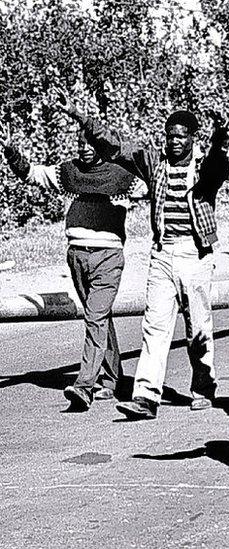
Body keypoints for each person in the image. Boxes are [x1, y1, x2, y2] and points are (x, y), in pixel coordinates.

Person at [57, 92, 229, 420]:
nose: (173, 142)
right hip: (163, 253)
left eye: (181, 136)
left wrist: (222, 132)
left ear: (192, 139)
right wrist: (80, 116)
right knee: (154, 326)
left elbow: (219, 163)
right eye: (169, 136)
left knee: (198, 325)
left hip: (195, 255)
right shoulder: (154, 162)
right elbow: (115, 145)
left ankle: (202, 384)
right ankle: (146, 396)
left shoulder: (204, 168)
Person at [1, 128, 137, 409]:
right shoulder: (69, 172)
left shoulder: (123, 175)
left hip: (108, 258)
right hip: (76, 256)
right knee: (97, 317)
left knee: (95, 317)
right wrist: (10, 151)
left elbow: (155, 180)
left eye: (90, 143)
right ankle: (113, 379)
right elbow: (33, 174)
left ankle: (84, 386)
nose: (85, 148)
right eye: (80, 143)